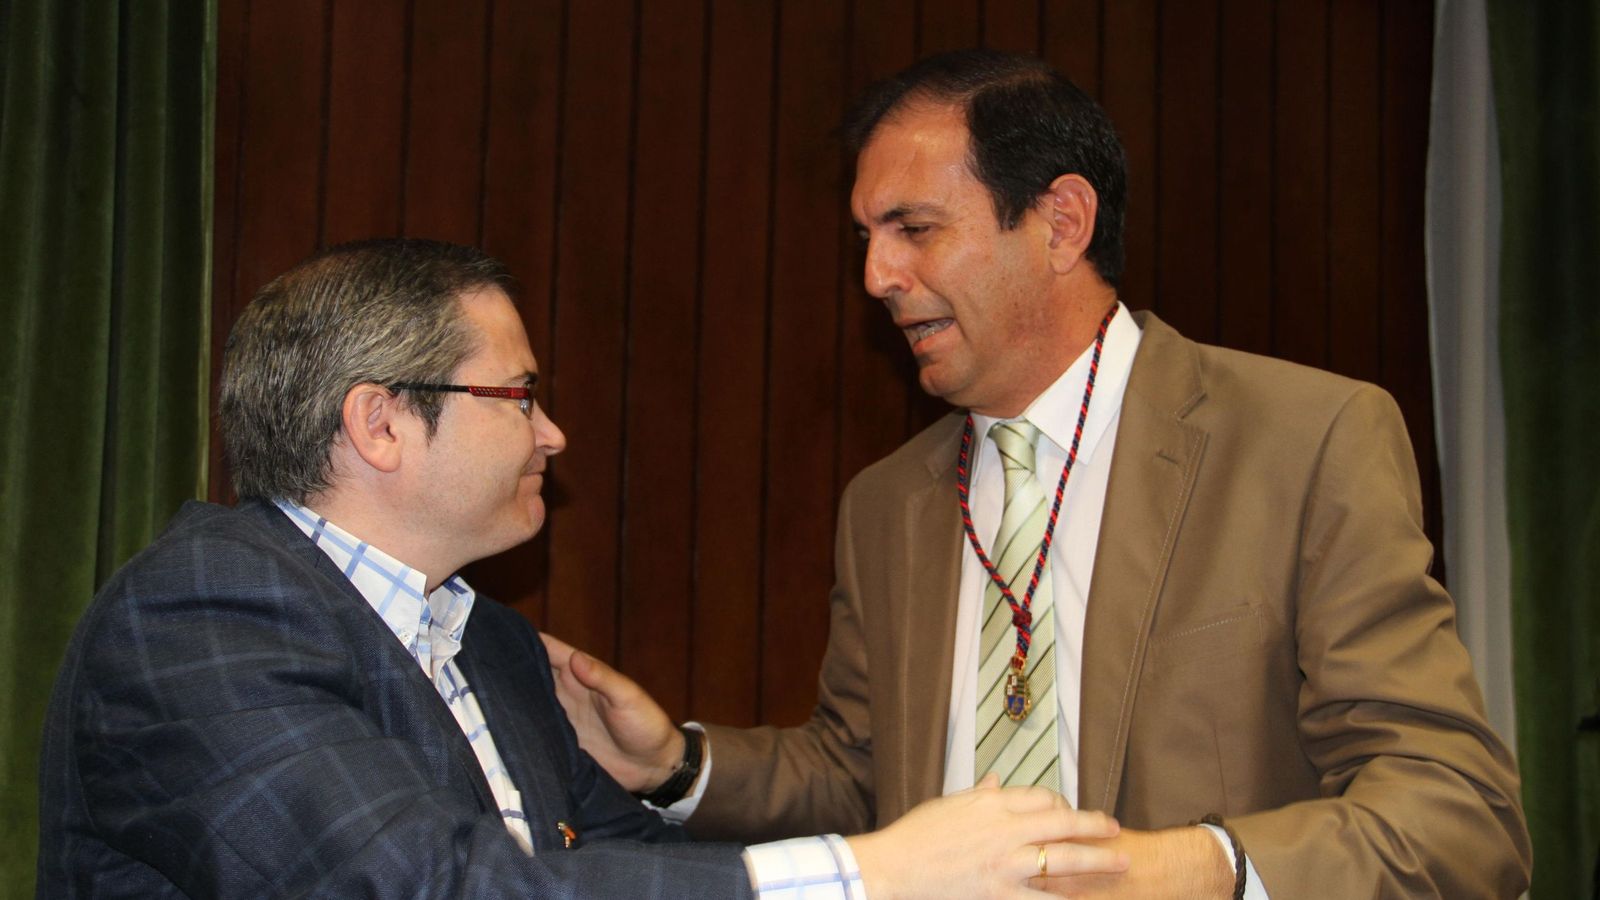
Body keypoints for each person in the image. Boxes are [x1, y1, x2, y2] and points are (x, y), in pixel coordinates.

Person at [543, 50, 1533, 897]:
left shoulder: (1300, 440)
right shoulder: (886, 506)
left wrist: (1200, 867)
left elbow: (1458, 813)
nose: (876, 278)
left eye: (913, 229)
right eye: (866, 238)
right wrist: (675, 765)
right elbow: (857, 777)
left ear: (1060, 222)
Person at [34, 238, 1130, 898]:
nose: (553, 434)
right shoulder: (203, 613)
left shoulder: (493, 644)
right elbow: (419, 889)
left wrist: (674, 778)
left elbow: (610, 871)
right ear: (379, 424)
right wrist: (873, 876)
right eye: (517, 396)